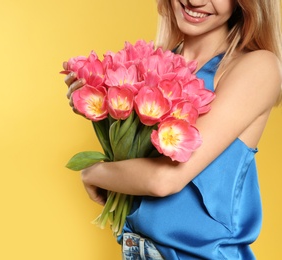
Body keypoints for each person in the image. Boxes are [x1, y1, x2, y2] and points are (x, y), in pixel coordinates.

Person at [63, 0, 282, 259]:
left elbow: (164, 180)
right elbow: (132, 161)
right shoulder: (152, 64)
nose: (196, 1)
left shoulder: (257, 66)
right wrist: (97, 105)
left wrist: (92, 174)